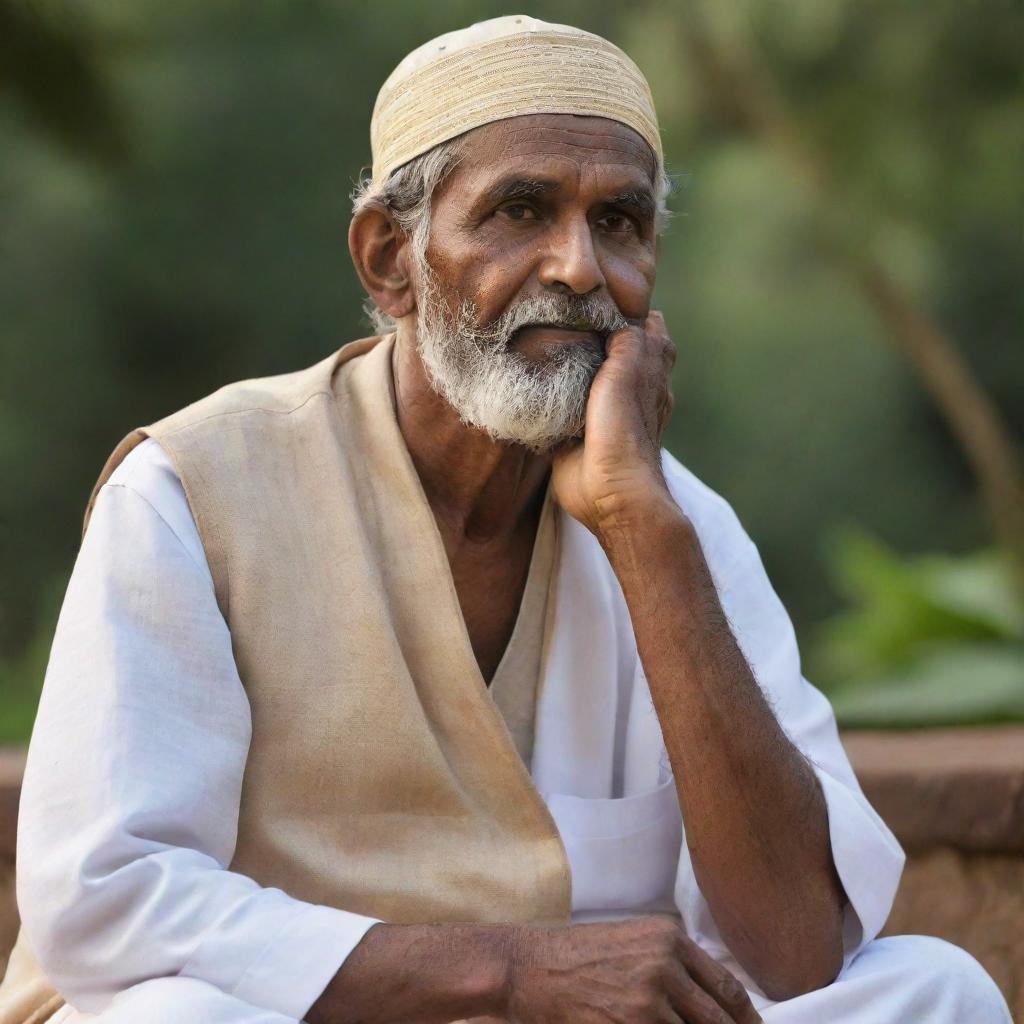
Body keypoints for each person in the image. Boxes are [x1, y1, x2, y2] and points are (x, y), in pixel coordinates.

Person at [0, 14, 1012, 1024]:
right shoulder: (193, 490)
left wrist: (640, 531)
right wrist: (516, 968)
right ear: (390, 259)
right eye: (520, 210)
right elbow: (108, 897)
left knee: (936, 990)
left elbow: (799, 953)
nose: (577, 267)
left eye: (618, 222)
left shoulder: (671, 519)